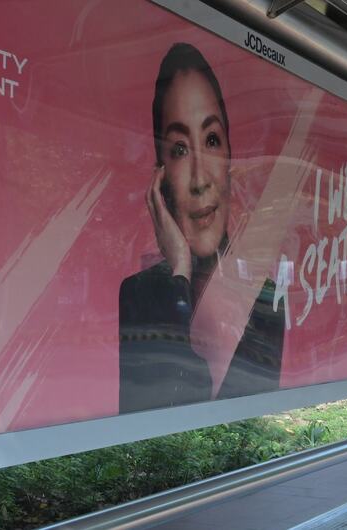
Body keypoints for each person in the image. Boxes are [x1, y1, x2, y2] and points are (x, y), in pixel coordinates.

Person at [119, 43, 284, 414]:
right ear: (159, 175)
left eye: (211, 141)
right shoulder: (139, 296)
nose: (199, 181)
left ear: (229, 159)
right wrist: (179, 268)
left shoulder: (266, 298)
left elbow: (243, 424)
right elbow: (167, 420)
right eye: (178, 149)